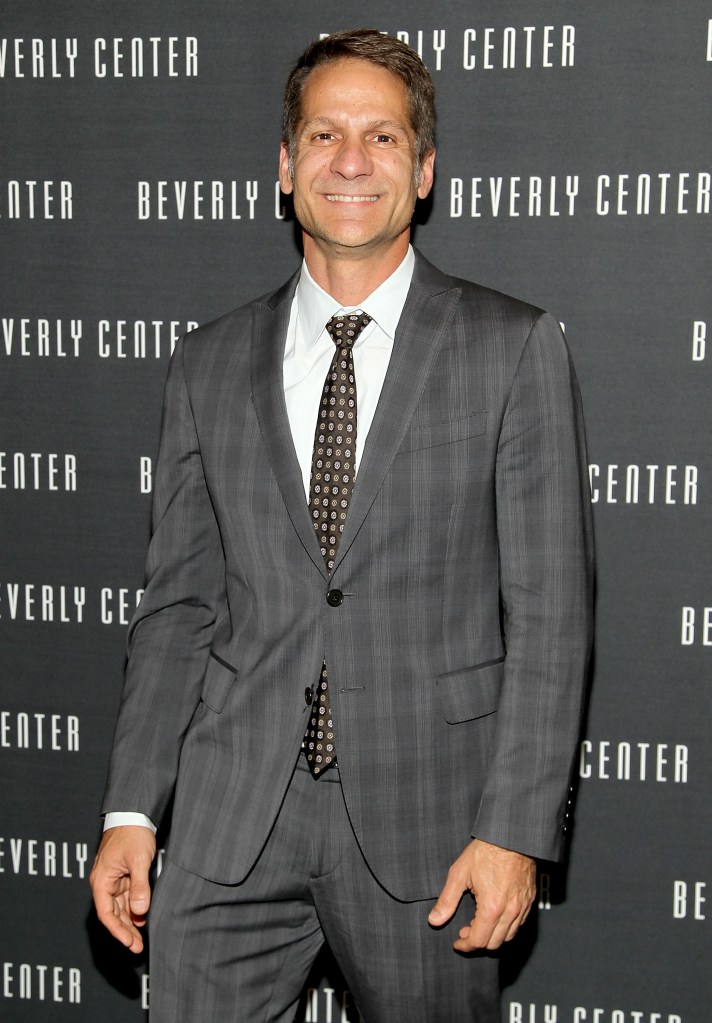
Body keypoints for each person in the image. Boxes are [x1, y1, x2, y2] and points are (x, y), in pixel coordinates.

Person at [90, 28, 594, 1023]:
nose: (351, 160)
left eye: (381, 137)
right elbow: (180, 609)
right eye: (323, 135)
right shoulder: (207, 363)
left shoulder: (512, 347)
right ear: (285, 168)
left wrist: (516, 832)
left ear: (424, 169)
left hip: (433, 829)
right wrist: (130, 808)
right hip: (233, 820)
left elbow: (550, 616)